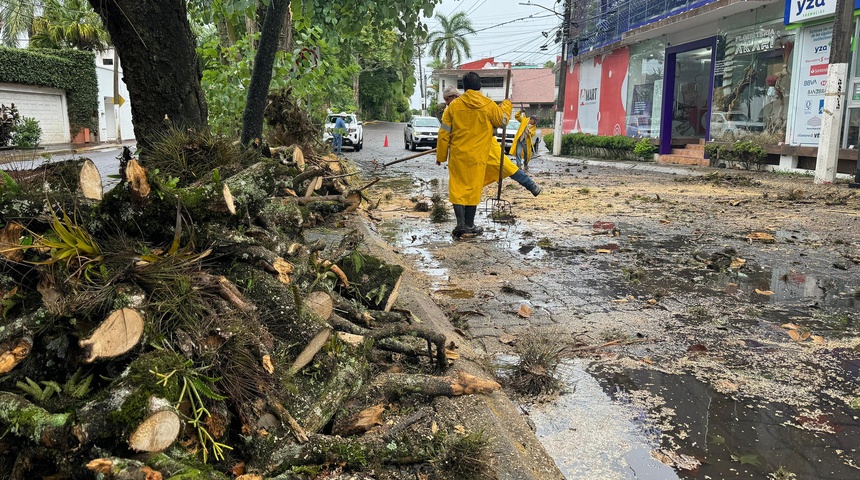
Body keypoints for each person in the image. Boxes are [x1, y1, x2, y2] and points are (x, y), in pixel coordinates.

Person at [437, 72, 520, 239]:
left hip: (459, 155)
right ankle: (469, 225)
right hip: (478, 157)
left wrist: (441, 156)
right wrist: (506, 106)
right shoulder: (489, 105)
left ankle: (460, 224)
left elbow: (444, 133)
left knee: (458, 188)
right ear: (480, 86)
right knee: (473, 189)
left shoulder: (453, 106)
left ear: (464, 87)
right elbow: (502, 121)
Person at [439, 87, 542, 204]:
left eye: (448, 99)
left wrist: (506, 106)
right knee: (468, 181)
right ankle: (464, 214)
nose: (447, 103)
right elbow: (445, 134)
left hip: (487, 146)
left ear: (455, 96)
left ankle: (531, 185)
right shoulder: (451, 110)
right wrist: (442, 154)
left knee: (506, 166)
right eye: (445, 100)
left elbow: (500, 119)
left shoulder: (479, 105)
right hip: (467, 151)